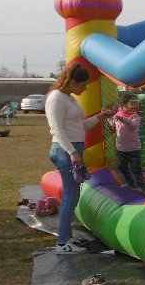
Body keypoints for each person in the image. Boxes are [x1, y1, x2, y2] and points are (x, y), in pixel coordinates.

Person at [45, 63, 113, 254]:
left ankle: (67, 237)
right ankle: (62, 243)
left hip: (72, 149)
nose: (85, 89)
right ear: (72, 82)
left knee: (72, 195)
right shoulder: (56, 98)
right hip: (65, 151)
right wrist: (73, 153)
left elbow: (80, 126)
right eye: (83, 85)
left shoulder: (68, 98)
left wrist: (100, 116)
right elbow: (57, 129)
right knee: (70, 196)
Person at [108, 92, 143, 191]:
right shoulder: (118, 114)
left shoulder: (135, 117)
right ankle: (130, 184)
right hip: (121, 149)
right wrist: (108, 116)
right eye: (133, 103)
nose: (136, 105)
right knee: (121, 166)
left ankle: (140, 186)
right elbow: (112, 124)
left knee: (136, 168)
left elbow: (134, 126)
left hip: (134, 149)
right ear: (124, 105)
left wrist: (123, 119)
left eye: (136, 103)